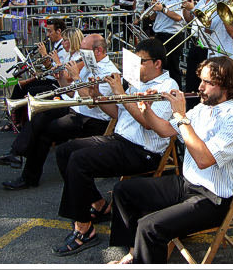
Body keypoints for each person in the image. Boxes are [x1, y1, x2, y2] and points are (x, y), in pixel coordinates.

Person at [108, 56, 233, 264]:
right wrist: (146, 110)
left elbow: (203, 159)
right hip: (187, 185)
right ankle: (134, 253)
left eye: (208, 83)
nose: (200, 87)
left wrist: (180, 115)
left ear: (227, 87)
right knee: (123, 191)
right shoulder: (204, 107)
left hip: (211, 199)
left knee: (150, 227)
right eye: (201, 80)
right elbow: (165, 129)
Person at [51, 38, 179, 256]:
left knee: (80, 161)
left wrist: (121, 92)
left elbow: (149, 124)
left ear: (157, 63)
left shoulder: (168, 87)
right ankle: (99, 203)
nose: (136, 66)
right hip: (120, 140)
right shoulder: (138, 82)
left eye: (141, 61)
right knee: (66, 151)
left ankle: (84, 229)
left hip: (143, 150)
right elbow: (119, 113)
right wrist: (98, 96)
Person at [0, 34, 119, 190]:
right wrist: (61, 77)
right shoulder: (90, 65)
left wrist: (76, 77)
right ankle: (18, 157)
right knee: (41, 116)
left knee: (45, 132)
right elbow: (71, 94)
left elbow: (90, 103)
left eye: (84, 51)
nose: (81, 54)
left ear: (99, 51)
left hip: (92, 119)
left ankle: (25, 170)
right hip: (76, 109)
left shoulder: (109, 72)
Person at [182, 0, 216, 107]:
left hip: (207, 46)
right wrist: (186, 7)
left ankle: (200, 105)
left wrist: (193, 9)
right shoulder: (202, 1)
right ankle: (190, 107)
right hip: (196, 42)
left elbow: (207, 20)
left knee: (202, 81)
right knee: (191, 80)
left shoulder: (217, 3)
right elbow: (189, 20)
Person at [151, 0, 185, 87]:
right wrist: (152, 8)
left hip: (173, 36)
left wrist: (163, 9)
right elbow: (152, 18)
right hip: (159, 34)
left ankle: (176, 91)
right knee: (160, 66)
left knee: (172, 66)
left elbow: (178, 17)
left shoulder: (181, 0)